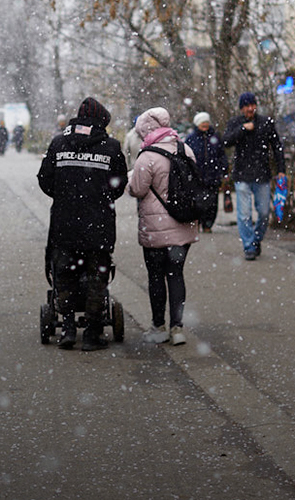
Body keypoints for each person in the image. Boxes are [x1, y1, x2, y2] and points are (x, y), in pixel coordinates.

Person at [37, 97, 128, 351]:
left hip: (64, 224)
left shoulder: (58, 143)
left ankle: (66, 327)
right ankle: (92, 332)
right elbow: (119, 185)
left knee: (64, 274)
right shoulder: (111, 147)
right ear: (101, 122)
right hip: (98, 226)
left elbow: (45, 180)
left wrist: (65, 195)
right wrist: (99, 197)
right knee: (97, 277)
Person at [128, 107, 198, 346]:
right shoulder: (185, 149)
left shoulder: (146, 156)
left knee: (156, 276)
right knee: (176, 275)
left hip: (155, 228)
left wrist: (130, 178)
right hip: (183, 224)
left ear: (146, 131)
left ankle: (158, 327)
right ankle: (177, 328)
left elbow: (137, 189)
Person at [223, 92, 286, 260]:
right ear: (242, 108)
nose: (251, 109)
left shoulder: (266, 123)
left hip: (262, 175)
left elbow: (277, 146)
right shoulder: (235, 123)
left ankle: (256, 239)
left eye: (253, 105)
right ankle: (249, 246)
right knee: (244, 214)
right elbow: (226, 141)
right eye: (247, 106)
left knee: (264, 212)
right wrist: (243, 129)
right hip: (242, 175)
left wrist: (281, 169)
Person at [184, 111, 229, 232]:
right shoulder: (191, 139)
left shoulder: (215, 137)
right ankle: (198, 221)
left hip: (213, 175)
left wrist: (224, 170)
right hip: (197, 176)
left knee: (212, 203)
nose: (205, 125)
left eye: (206, 123)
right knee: (198, 202)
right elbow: (186, 157)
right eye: (202, 123)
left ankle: (208, 224)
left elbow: (221, 155)